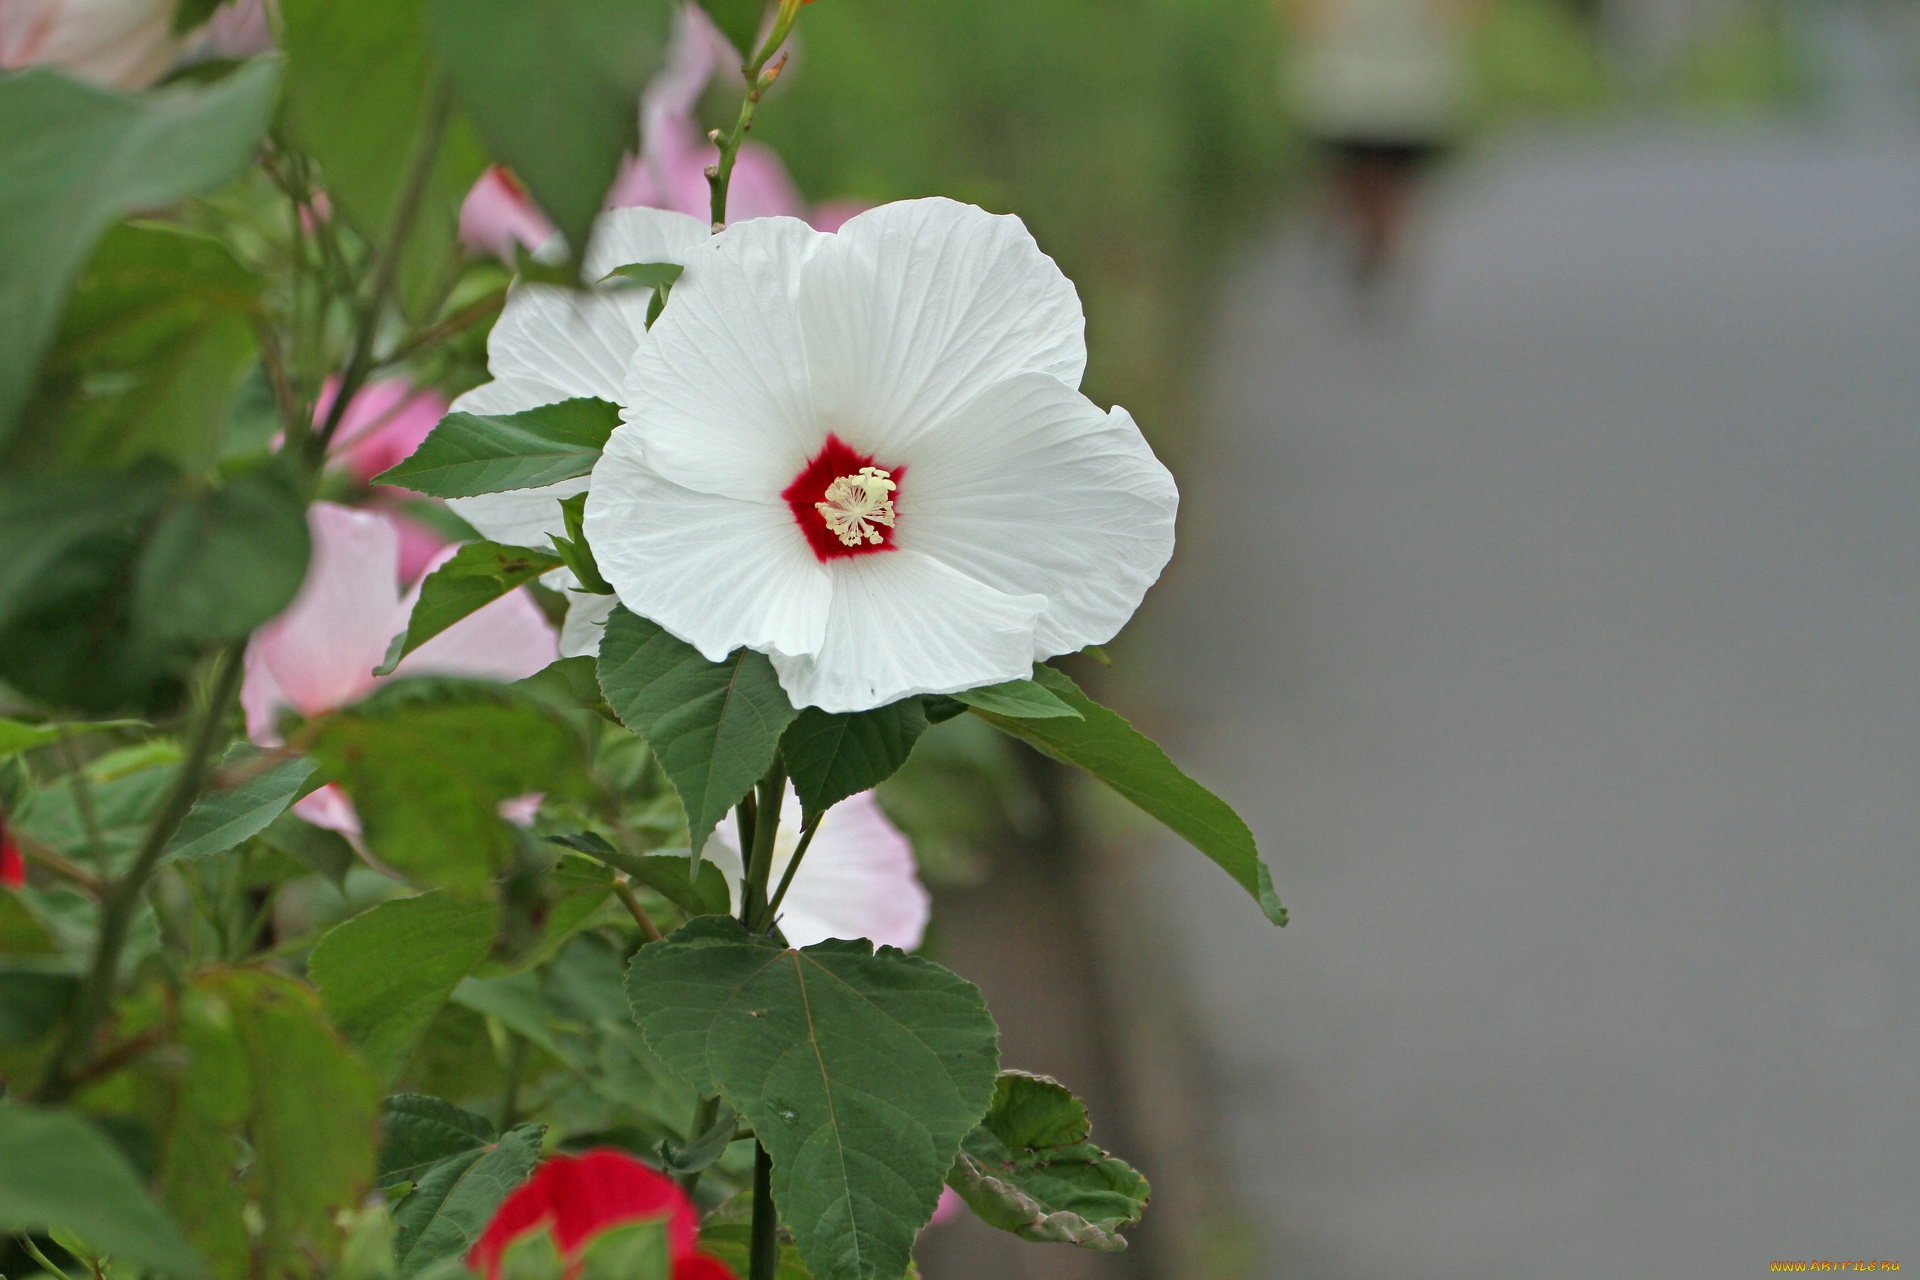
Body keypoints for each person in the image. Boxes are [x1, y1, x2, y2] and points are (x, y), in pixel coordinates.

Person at [1283, 0, 1480, 278]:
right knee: (1359, 184)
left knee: (1380, 186)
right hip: (1347, 93)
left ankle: (1363, 253)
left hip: (1406, 95)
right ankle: (1356, 249)